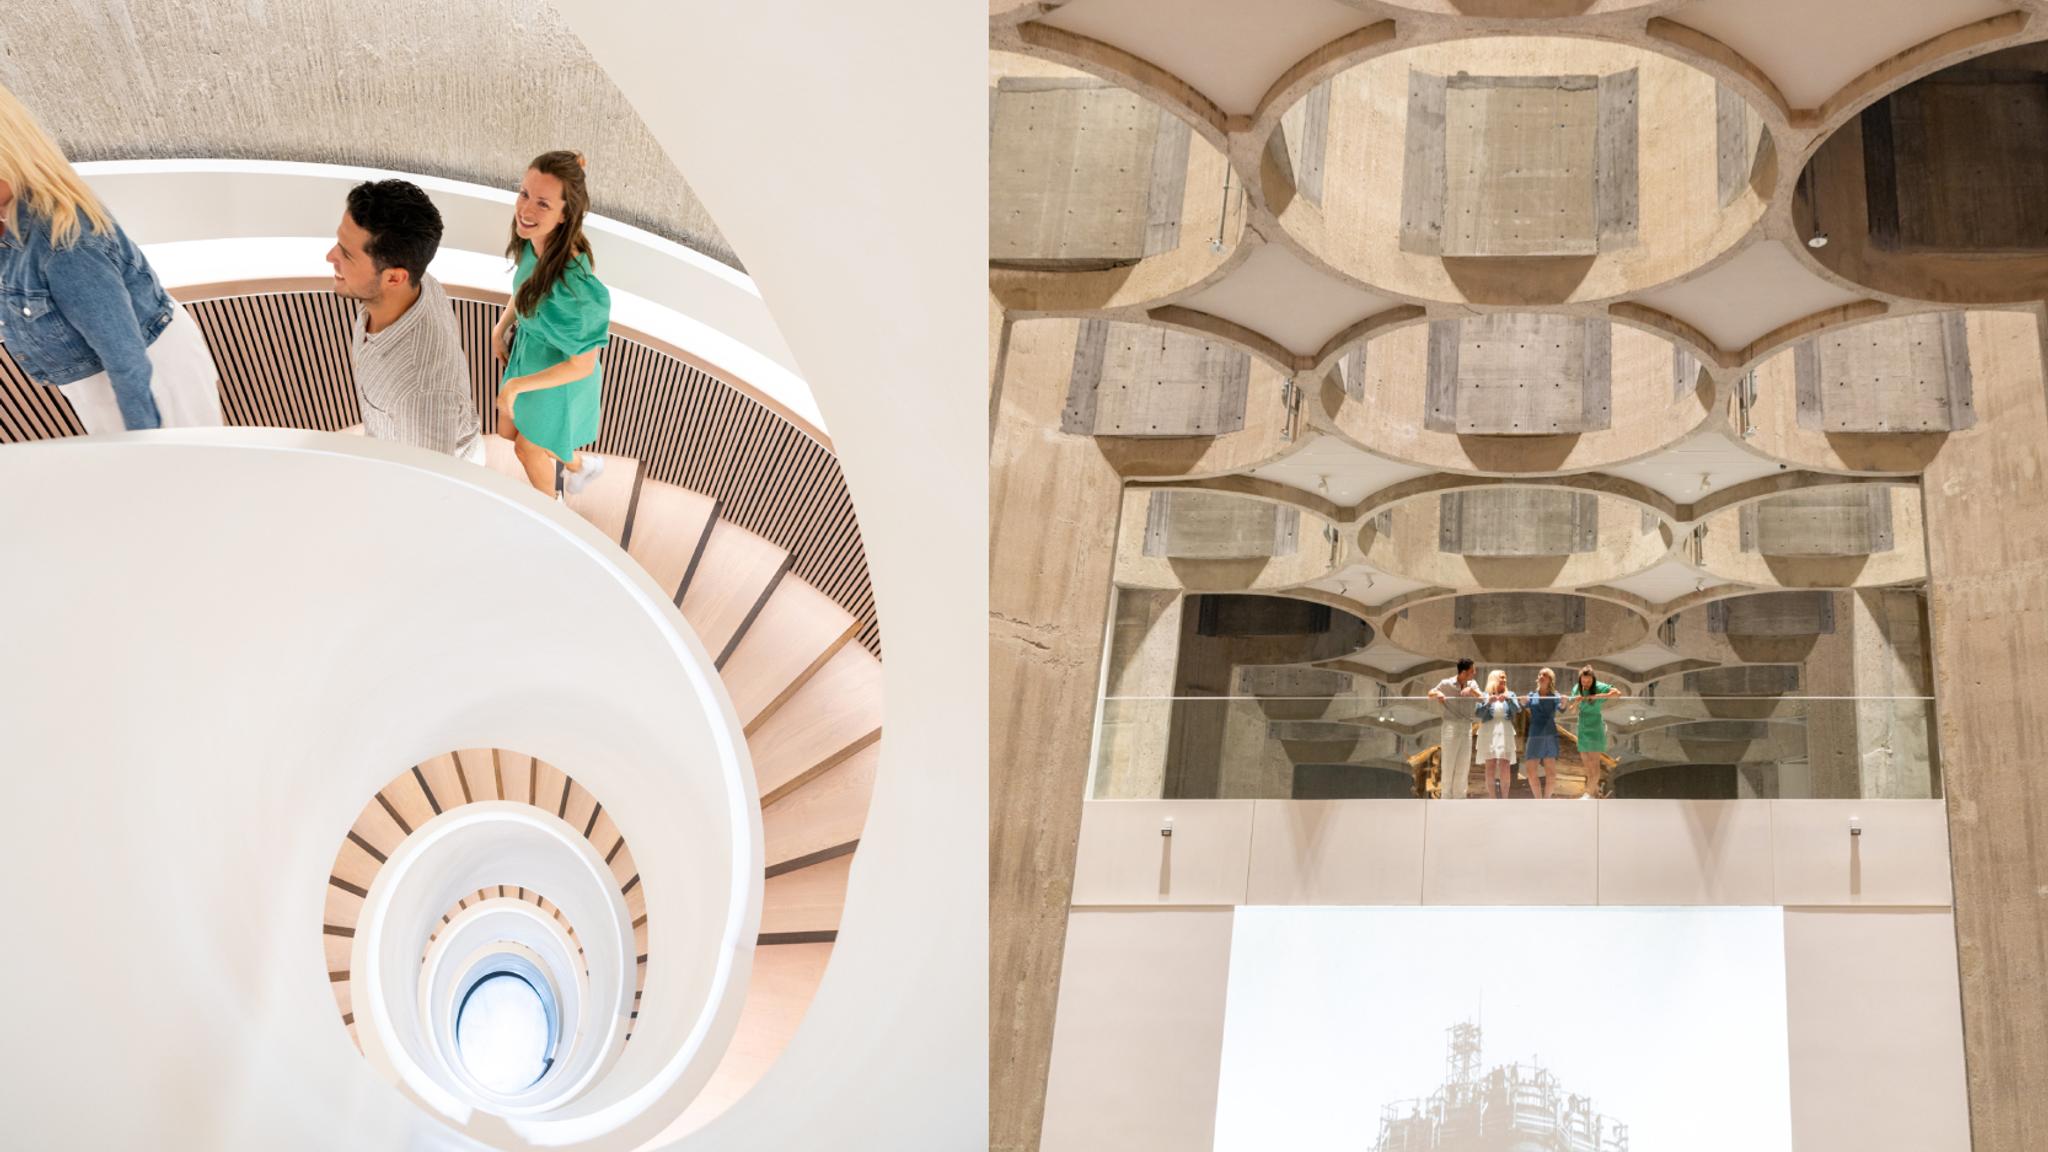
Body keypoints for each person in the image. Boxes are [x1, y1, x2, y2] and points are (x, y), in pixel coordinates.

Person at [0, 82, 222, 433]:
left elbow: (126, 358)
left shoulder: (64, 243)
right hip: (101, 380)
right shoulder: (9, 216)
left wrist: (142, 435)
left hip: (145, 376)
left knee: (185, 473)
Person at [328, 179, 483, 464]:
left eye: (346, 254)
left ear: (394, 277)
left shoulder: (422, 394)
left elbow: (429, 484)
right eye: (338, 244)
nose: (330, 257)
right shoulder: (413, 284)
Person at [493, 149, 611, 497]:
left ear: (564, 214)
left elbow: (581, 365)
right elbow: (526, 288)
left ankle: (551, 509)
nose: (526, 210)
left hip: (558, 376)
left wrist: (515, 387)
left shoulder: (575, 286)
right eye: (524, 193)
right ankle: (581, 466)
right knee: (508, 431)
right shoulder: (533, 240)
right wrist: (501, 327)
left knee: (525, 448)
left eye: (543, 204)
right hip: (530, 355)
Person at [1563, 665, 1624, 799]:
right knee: (1587, 765)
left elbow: (1617, 693)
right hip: (1583, 726)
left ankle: (1588, 793)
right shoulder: (1577, 688)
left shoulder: (1599, 686)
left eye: (1588, 681)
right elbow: (1572, 710)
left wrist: (1593, 696)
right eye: (1583, 681)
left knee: (1594, 764)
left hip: (1596, 726)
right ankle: (1594, 793)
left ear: (1593, 680)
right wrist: (1577, 702)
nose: (1586, 684)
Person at [1427, 658, 1482, 799]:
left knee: (1463, 765)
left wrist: (1472, 691)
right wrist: (1438, 694)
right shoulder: (1447, 683)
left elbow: (1482, 698)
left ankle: (1460, 798)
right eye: (1472, 671)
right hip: (1451, 725)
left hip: (1467, 726)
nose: (1474, 673)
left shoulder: (1472, 684)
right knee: (1448, 763)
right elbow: (1430, 693)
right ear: (1463, 672)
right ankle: (1445, 797)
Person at [1474, 670, 1521, 799]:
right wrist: (1488, 702)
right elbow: (1478, 713)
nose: (1504, 680)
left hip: (1504, 729)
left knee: (1505, 765)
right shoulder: (1484, 695)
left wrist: (1509, 699)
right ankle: (1492, 798)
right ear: (1494, 679)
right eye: (1501, 678)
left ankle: (1505, 797)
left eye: (1505, 678)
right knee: (1490, 765)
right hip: (1488, 730)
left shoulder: (1510, 694)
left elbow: (1517, 710)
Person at [1522, 668, 1564, 800]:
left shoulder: (1555, 695)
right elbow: (1522, 705)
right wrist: (1522, 701)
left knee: (1550, 770)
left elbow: (1562, 709)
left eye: (1544, 675)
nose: (1541, 676)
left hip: (1549, 733)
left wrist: (1564, 702)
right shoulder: (1532, 695)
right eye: (1540, 674)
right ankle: (1538, 799)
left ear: (1550, 679)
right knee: (1530, 769)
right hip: (1535, 733)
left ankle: (1547, 799)